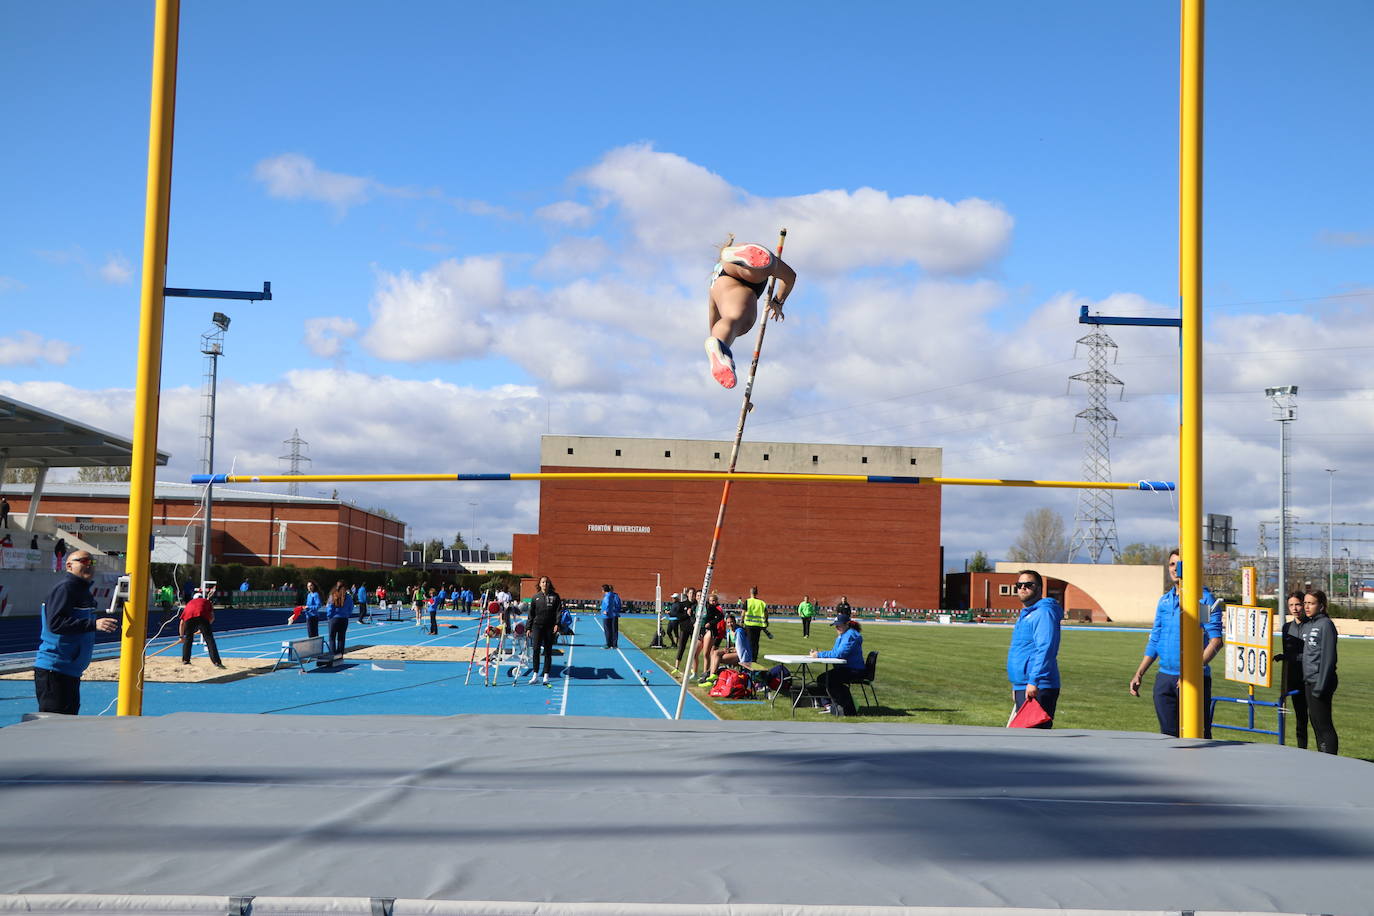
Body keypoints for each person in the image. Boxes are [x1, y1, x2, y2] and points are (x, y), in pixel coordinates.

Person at [1128, 550, 1224, 738]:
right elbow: (1155, 639)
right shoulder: (1164, 601)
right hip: (1164, 679)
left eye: (1179, 564)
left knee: (1198, 737)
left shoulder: (1203, 600)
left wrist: (1192, 672)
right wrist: (1139, 673)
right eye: (1171, 564)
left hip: (1194, 680)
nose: (1174, 568)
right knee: (1168, 738)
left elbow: (1215, 641)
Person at [33, 550, 119, 714]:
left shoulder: (82, 590)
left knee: (66, 724)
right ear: (69, 565)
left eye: (92, 563)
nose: (89, 566)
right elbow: (56, 623)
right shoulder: (65, 588)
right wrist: (93, 625)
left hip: (69, 670)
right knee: (54, 725)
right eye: (84, 561)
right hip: (55, 669)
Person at [704, 239, 796, 388]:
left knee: (733, 321)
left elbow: (714, 320)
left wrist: (719, 340)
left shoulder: (714, 281)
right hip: (738, 263)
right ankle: (742, 258)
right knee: (769, 268)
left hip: (722, 280)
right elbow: (790, 278)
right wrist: (778, 301)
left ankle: (721, 346)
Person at [1005, 569, 1062, 727]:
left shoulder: (1044, 613)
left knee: (1034, 742)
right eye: (1019, 585)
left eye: (1028, 585)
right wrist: (1017, 685)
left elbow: (1046, 649)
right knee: (1022, 742)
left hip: (1039, 685)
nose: (1023, 588)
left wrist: (1033, 681)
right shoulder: (1027, 614)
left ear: (1039, 588)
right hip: (1024, 684)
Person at [1299, 589, 1339, 754]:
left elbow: (1329, 658)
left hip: (1320, 682)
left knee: (1324, 724)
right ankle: (1321, 757)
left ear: (1321, 606)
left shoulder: (1326, 625)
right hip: (1309, 681)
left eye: (1311, 603)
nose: (1307, 607)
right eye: (1306, 603)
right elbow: (1310, 654)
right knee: (1315, 722)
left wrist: (1321, 685)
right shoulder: (1310, 624)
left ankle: (1331, 759)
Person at [811, 614, 865, 716]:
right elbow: (835, 652)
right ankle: (832, 705)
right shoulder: (843, 635)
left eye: (839, 625)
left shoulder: (850, 635)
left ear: (847, 624)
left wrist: (819, 655)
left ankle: (836, 706)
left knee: (825, 679)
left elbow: (839, 654)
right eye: (835, 625)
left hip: (854, 670)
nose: (837, 627)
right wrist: (820, 654)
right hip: (847, 668)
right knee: (824, 678)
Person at [1275, 591, 1309, 749]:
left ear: (1304, 604)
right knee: (1300, 718)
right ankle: (1302, 750)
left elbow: (1311, 655)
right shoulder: (1286, 627)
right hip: (1294, 679)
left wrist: (1293, 657)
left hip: (1311, 679)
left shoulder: (1313, 626)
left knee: (1315, 719)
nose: (1294, 608)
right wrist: (1284, 657)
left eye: (1297, 604)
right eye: (1291, 605)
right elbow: (1290, 653)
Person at [526, 575, 561, 685]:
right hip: (537, 626)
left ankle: (546, 675)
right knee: (536, 650)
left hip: (549, 627)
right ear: (540, 584)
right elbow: (531, 614)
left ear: (549, 584)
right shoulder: (535, 597)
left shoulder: (555, 597)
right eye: (543, 582)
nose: (545, 584)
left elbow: (558, 611)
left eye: (547, 582)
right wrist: (528, 627)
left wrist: (557, 624)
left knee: (547, 651)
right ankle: (535, 674)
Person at [701, 614, 756, 684]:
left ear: (735, 622)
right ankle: (712, 675)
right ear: (726, 623)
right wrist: (727, 649)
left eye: (732, 622)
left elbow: (741, 648)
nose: (730, 624)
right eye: (728, 623)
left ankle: (712, 677)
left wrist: (729, 650)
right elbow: (732, 646)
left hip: (743, 656)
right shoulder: (728, 632)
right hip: (735, 653)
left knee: (717, 658)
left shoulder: (739, 632)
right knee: (715, 653)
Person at [180, 589, 225, 668]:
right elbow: (212, 618)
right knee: (209, 639)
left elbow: (181, 623)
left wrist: (181, 636)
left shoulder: (189, 604)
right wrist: (205, 627)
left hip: (189, 619)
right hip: (202, 618)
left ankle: (186, 660)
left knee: (188, 639)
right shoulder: (206, 602)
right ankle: (216, 662)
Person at [743, 586, 769, 660]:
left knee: (749, 642)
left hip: (749, 624)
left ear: (750, 592)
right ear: (757, 593)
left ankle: (750, 658)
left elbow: (743, 613)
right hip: (758, 625)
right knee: (756, 642)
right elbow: (766, 613)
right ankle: (754, 658)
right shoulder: (761, 602)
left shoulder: (747, 601)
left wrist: (741, 621)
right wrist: (766, 621)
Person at [326, 581, 351, 657]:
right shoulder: (348, 597)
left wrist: (329, 616)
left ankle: (333, 655)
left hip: (334, 619)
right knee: (341, 638)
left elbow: (330, 607)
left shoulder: (333, 595)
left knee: (332, 637)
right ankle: (340, 655)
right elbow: (351, 607)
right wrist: (346, 615)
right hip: (344, 619)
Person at [600, 583, 622, 649]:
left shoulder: (614, 596)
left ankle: (613, 644)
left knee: (613, 630)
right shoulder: (610, 595)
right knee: (610, 629)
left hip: (613, 614)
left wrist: (613, 611)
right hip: (611, 614)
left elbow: (617, 604)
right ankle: (611, 643)